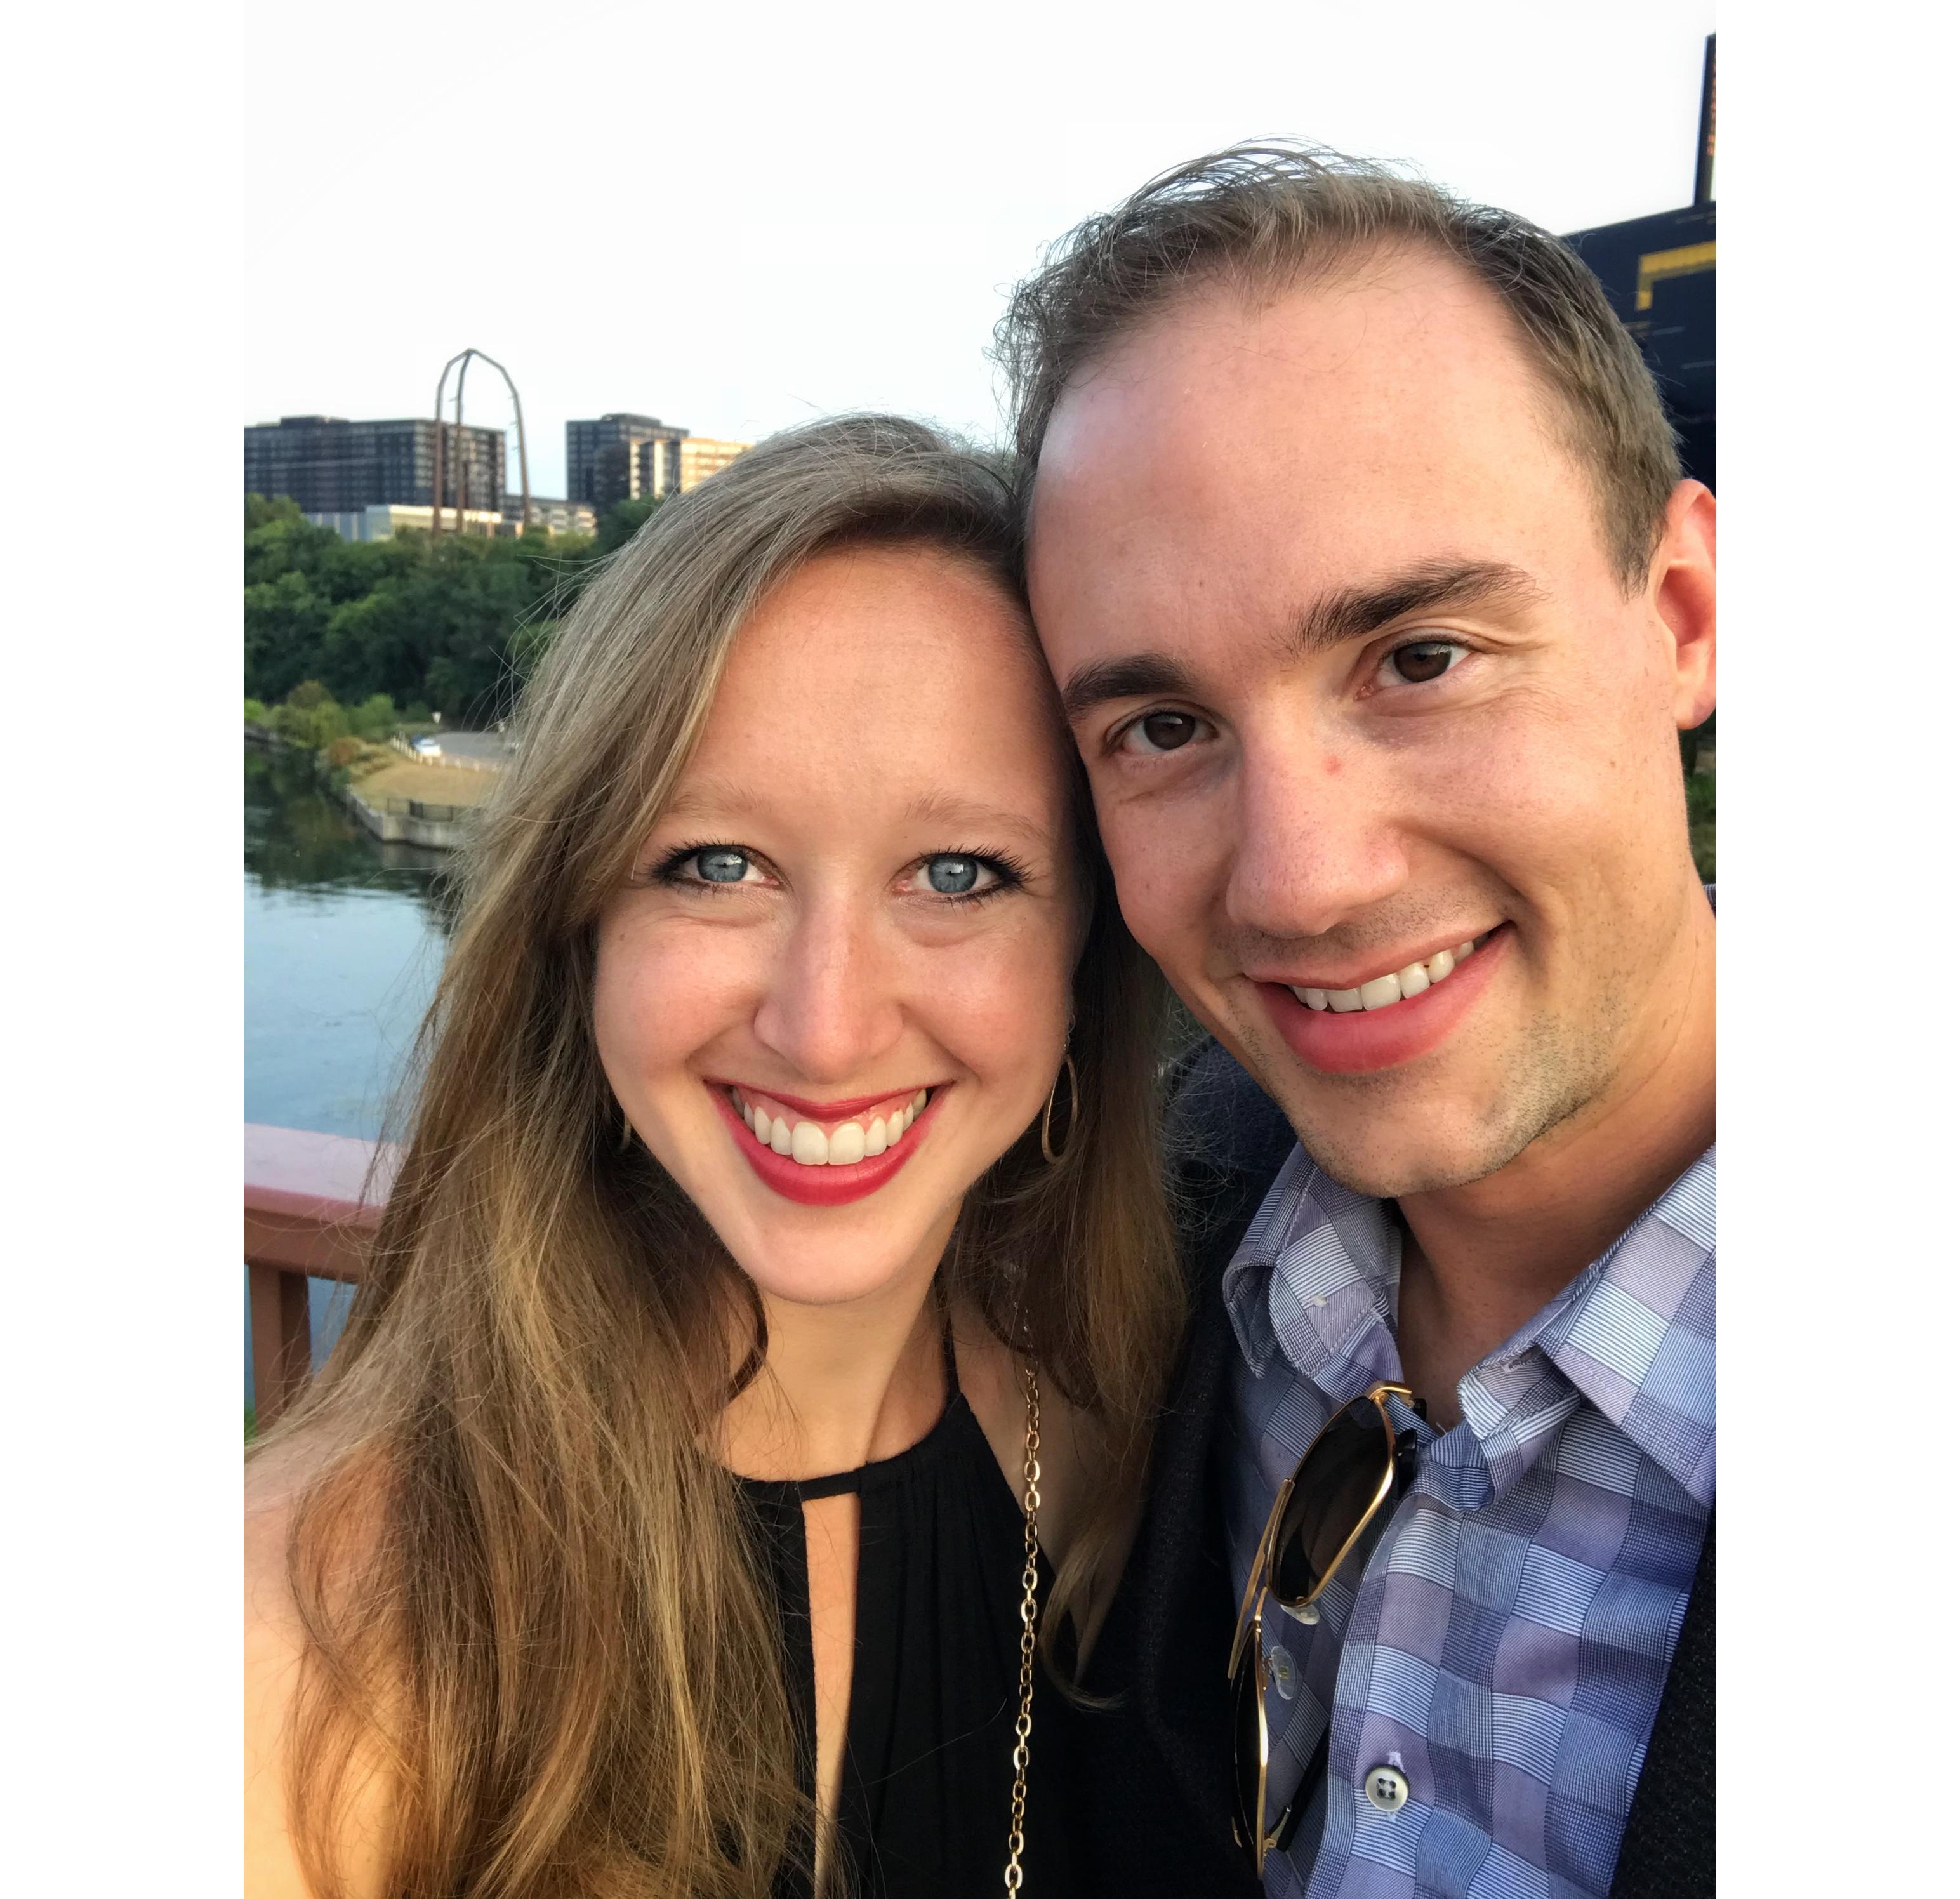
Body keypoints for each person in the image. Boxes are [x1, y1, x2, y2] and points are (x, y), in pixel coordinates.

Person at [243, 417, 1191, 1899]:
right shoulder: (298, 1654)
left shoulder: (1102, 1451)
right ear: (579, 927)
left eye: (958, 874)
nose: (823, 1028)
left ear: (1083, 953)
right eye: (713, 863)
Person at [998, 145, 1716, 1898]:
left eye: (1419, 656)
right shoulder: (1114, 1253)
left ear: (1684, 617)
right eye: (1161, 729)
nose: (1302, 883)